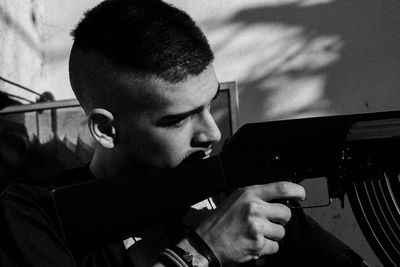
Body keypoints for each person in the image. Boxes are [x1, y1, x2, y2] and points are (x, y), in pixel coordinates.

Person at [0, 0, 366, 266]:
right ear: (107, 130)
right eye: (179, 119)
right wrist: (201, 251)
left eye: (209, 106)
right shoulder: (35, 215)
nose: (210, 131)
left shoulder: (234, 190)